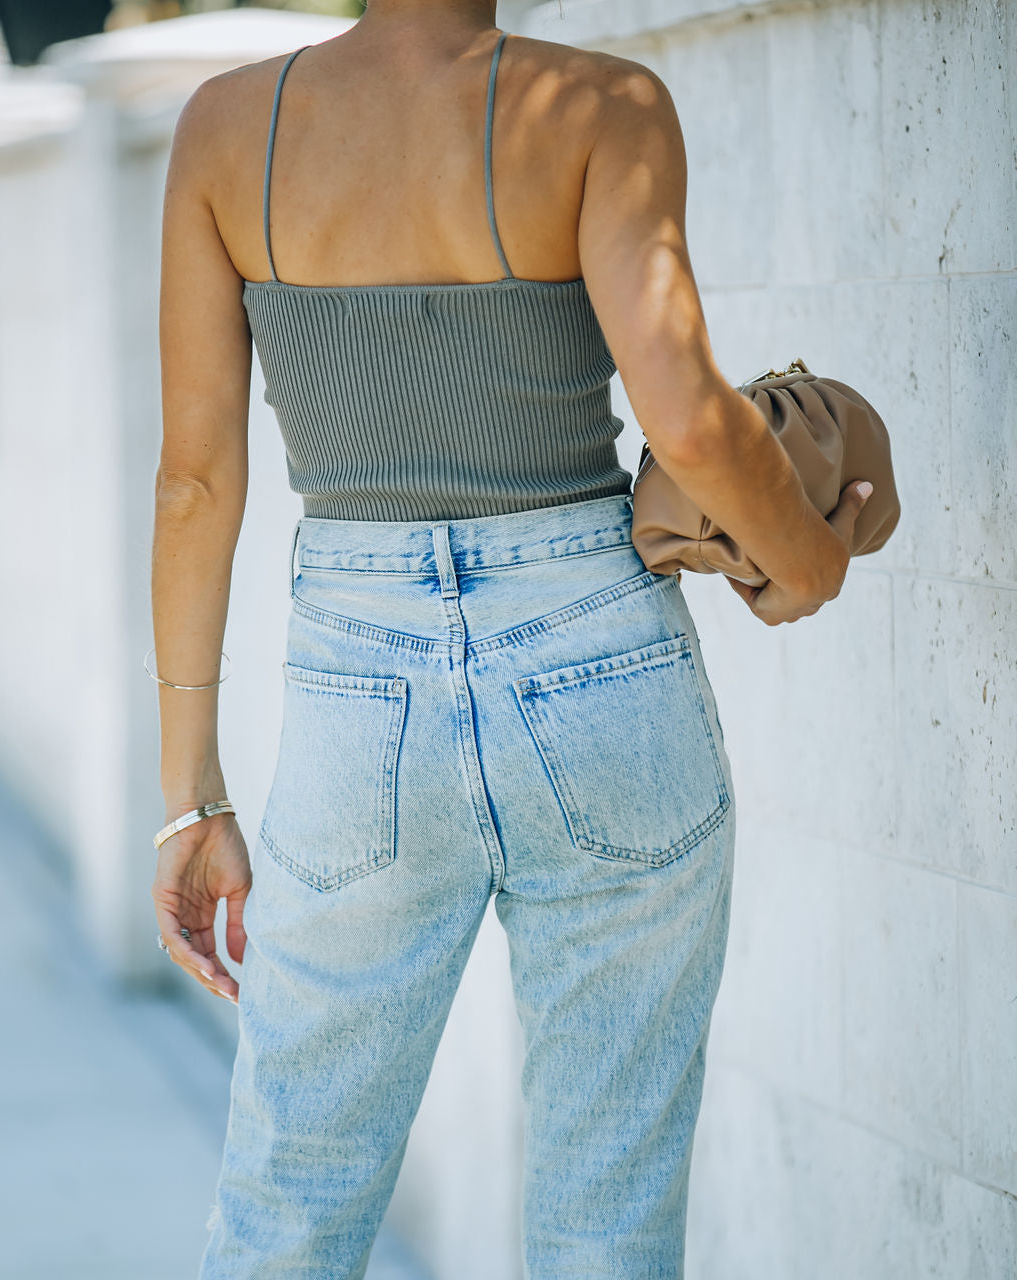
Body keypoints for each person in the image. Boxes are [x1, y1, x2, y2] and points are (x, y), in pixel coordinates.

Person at [150, 2, 871, 1276]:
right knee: (606, 1214)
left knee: (288, 1201)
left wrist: (188, 795)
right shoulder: (602, 108)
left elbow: (197, 483)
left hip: (355, 685)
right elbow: (692, 424)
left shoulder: (226, 130)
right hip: (595, 656)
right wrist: (806, 563)